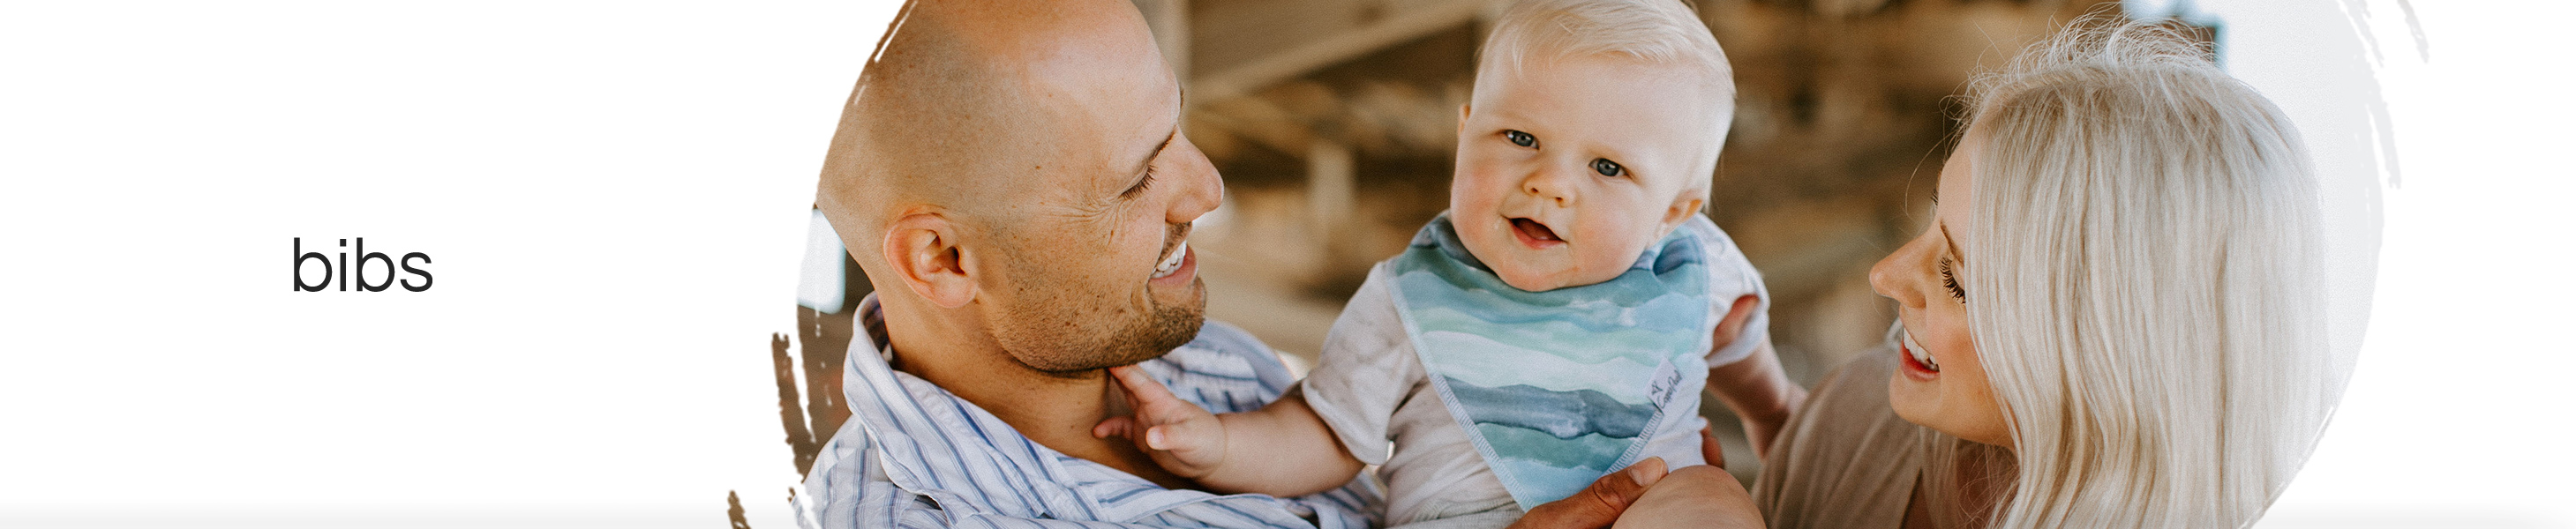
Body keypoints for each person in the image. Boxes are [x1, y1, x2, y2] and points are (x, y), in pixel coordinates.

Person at [799, 1, 1719, 527]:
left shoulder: (1210, 365)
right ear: (944, 258)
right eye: (1133, 182)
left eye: (1178, 129)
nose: (1206, 187)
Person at [1093, 1, 1797, 527]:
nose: (1551, 182)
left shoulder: (1690, 267)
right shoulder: (1413, 296)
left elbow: (1736, 333)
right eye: (1520, 136)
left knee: (1711, 499)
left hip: (1651, 507)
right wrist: (1216, 445)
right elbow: (1327, 432)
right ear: (1465, 134)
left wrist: (1771, 414)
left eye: (1607, 167)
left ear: (1676, 211)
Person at [1747, 19, 2344, 528]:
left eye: (1958, 279)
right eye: (1932, 223)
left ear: (2107, 351)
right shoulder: (1856, 415)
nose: (1886, 275)